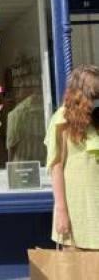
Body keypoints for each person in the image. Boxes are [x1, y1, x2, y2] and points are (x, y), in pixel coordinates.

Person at [45, 65, 99, 249]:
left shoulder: (97, 118)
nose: (96, 100)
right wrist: (61, 211)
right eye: (94, 95)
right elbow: (56, 166)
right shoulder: (62, 119)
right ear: (80, 93)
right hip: (78, 214)